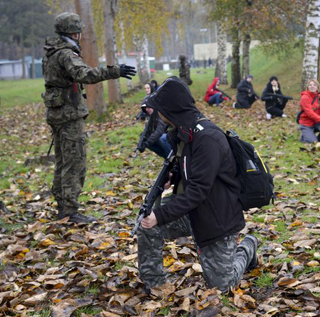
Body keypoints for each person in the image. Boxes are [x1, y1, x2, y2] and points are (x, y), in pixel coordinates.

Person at [137, 76, 258, 293]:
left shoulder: (208, 138)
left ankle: (248, 247)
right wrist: (173, 178)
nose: (158, 113)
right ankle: (155, 284)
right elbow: (188, 170)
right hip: (192, 210)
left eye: (160, 108)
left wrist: (161, 215)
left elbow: (198, 190)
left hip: (216, 217)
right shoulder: (182, 132)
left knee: (222, 287)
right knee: (146, 224)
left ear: (172, 109)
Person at [42, 12, 136, 224]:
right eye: (78, 31)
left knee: (62, 161)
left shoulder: (51, 51)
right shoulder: (66, 54)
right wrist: (115, 71)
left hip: (57, 112)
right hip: (69, 114)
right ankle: (70, 212)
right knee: (74, 163)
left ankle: (62, 206)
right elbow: (85, 74)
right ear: (73, 32)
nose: (79, 35)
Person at [137, 84, 171, 159]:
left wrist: (148, 143)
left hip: (176, 137)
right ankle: (167, 157)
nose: (147, 109)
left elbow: (159, 130)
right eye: (145, 108)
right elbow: (148, 130)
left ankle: (172, 158)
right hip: (170, 136)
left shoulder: (160, 113)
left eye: (149, 107)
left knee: (161, 138)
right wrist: (142, 142)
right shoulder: (152, 115)